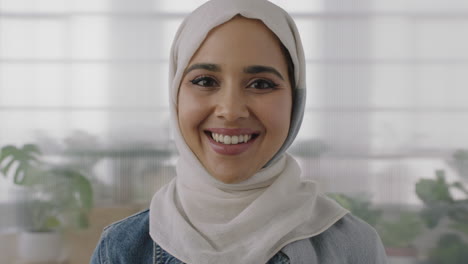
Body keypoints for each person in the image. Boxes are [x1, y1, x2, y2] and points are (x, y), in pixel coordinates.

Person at [90, 0, 388, 263]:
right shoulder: (122, 249)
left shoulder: (353, 248)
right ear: (176, 95)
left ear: (295, 102)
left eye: (261, 84)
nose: (231, 110)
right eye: (205, 81)